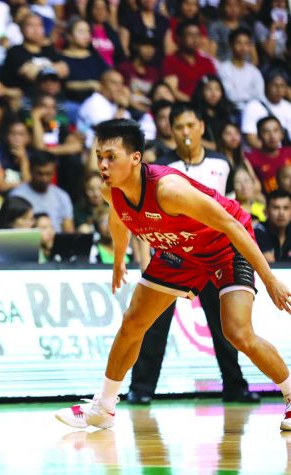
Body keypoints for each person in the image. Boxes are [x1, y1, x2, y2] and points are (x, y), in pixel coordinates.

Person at [54, 118, 291, 432]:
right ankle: (104, 408)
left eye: (111, 157)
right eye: (99, 156)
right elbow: (118, 220)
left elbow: (232, 225)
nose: (103, 164)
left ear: (135, 158)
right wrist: (118, 259)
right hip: (181, 251)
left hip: (226, 245)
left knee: (237, 332)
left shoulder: (169, 190)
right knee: (134, 320)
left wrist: (270, 278)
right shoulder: (111, 191)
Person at [127, 102, 258, 405]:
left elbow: (231, 215)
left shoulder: (221, 163)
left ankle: (235, 386)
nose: (185, 132)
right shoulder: (160, 167)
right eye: (179, 127)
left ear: (201, 126)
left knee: (225, 323)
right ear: (171, 131)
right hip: (174, 254)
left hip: (214, 253)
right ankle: (141, 389)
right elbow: (146, 218)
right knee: (153, 322)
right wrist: (145, 262)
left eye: (190, 125)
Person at [255, 189, 291, 262]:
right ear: (266, 211)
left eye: (286, 208)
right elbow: (269, 260)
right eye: (276, 208)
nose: (281, 213)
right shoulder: (258, 232)